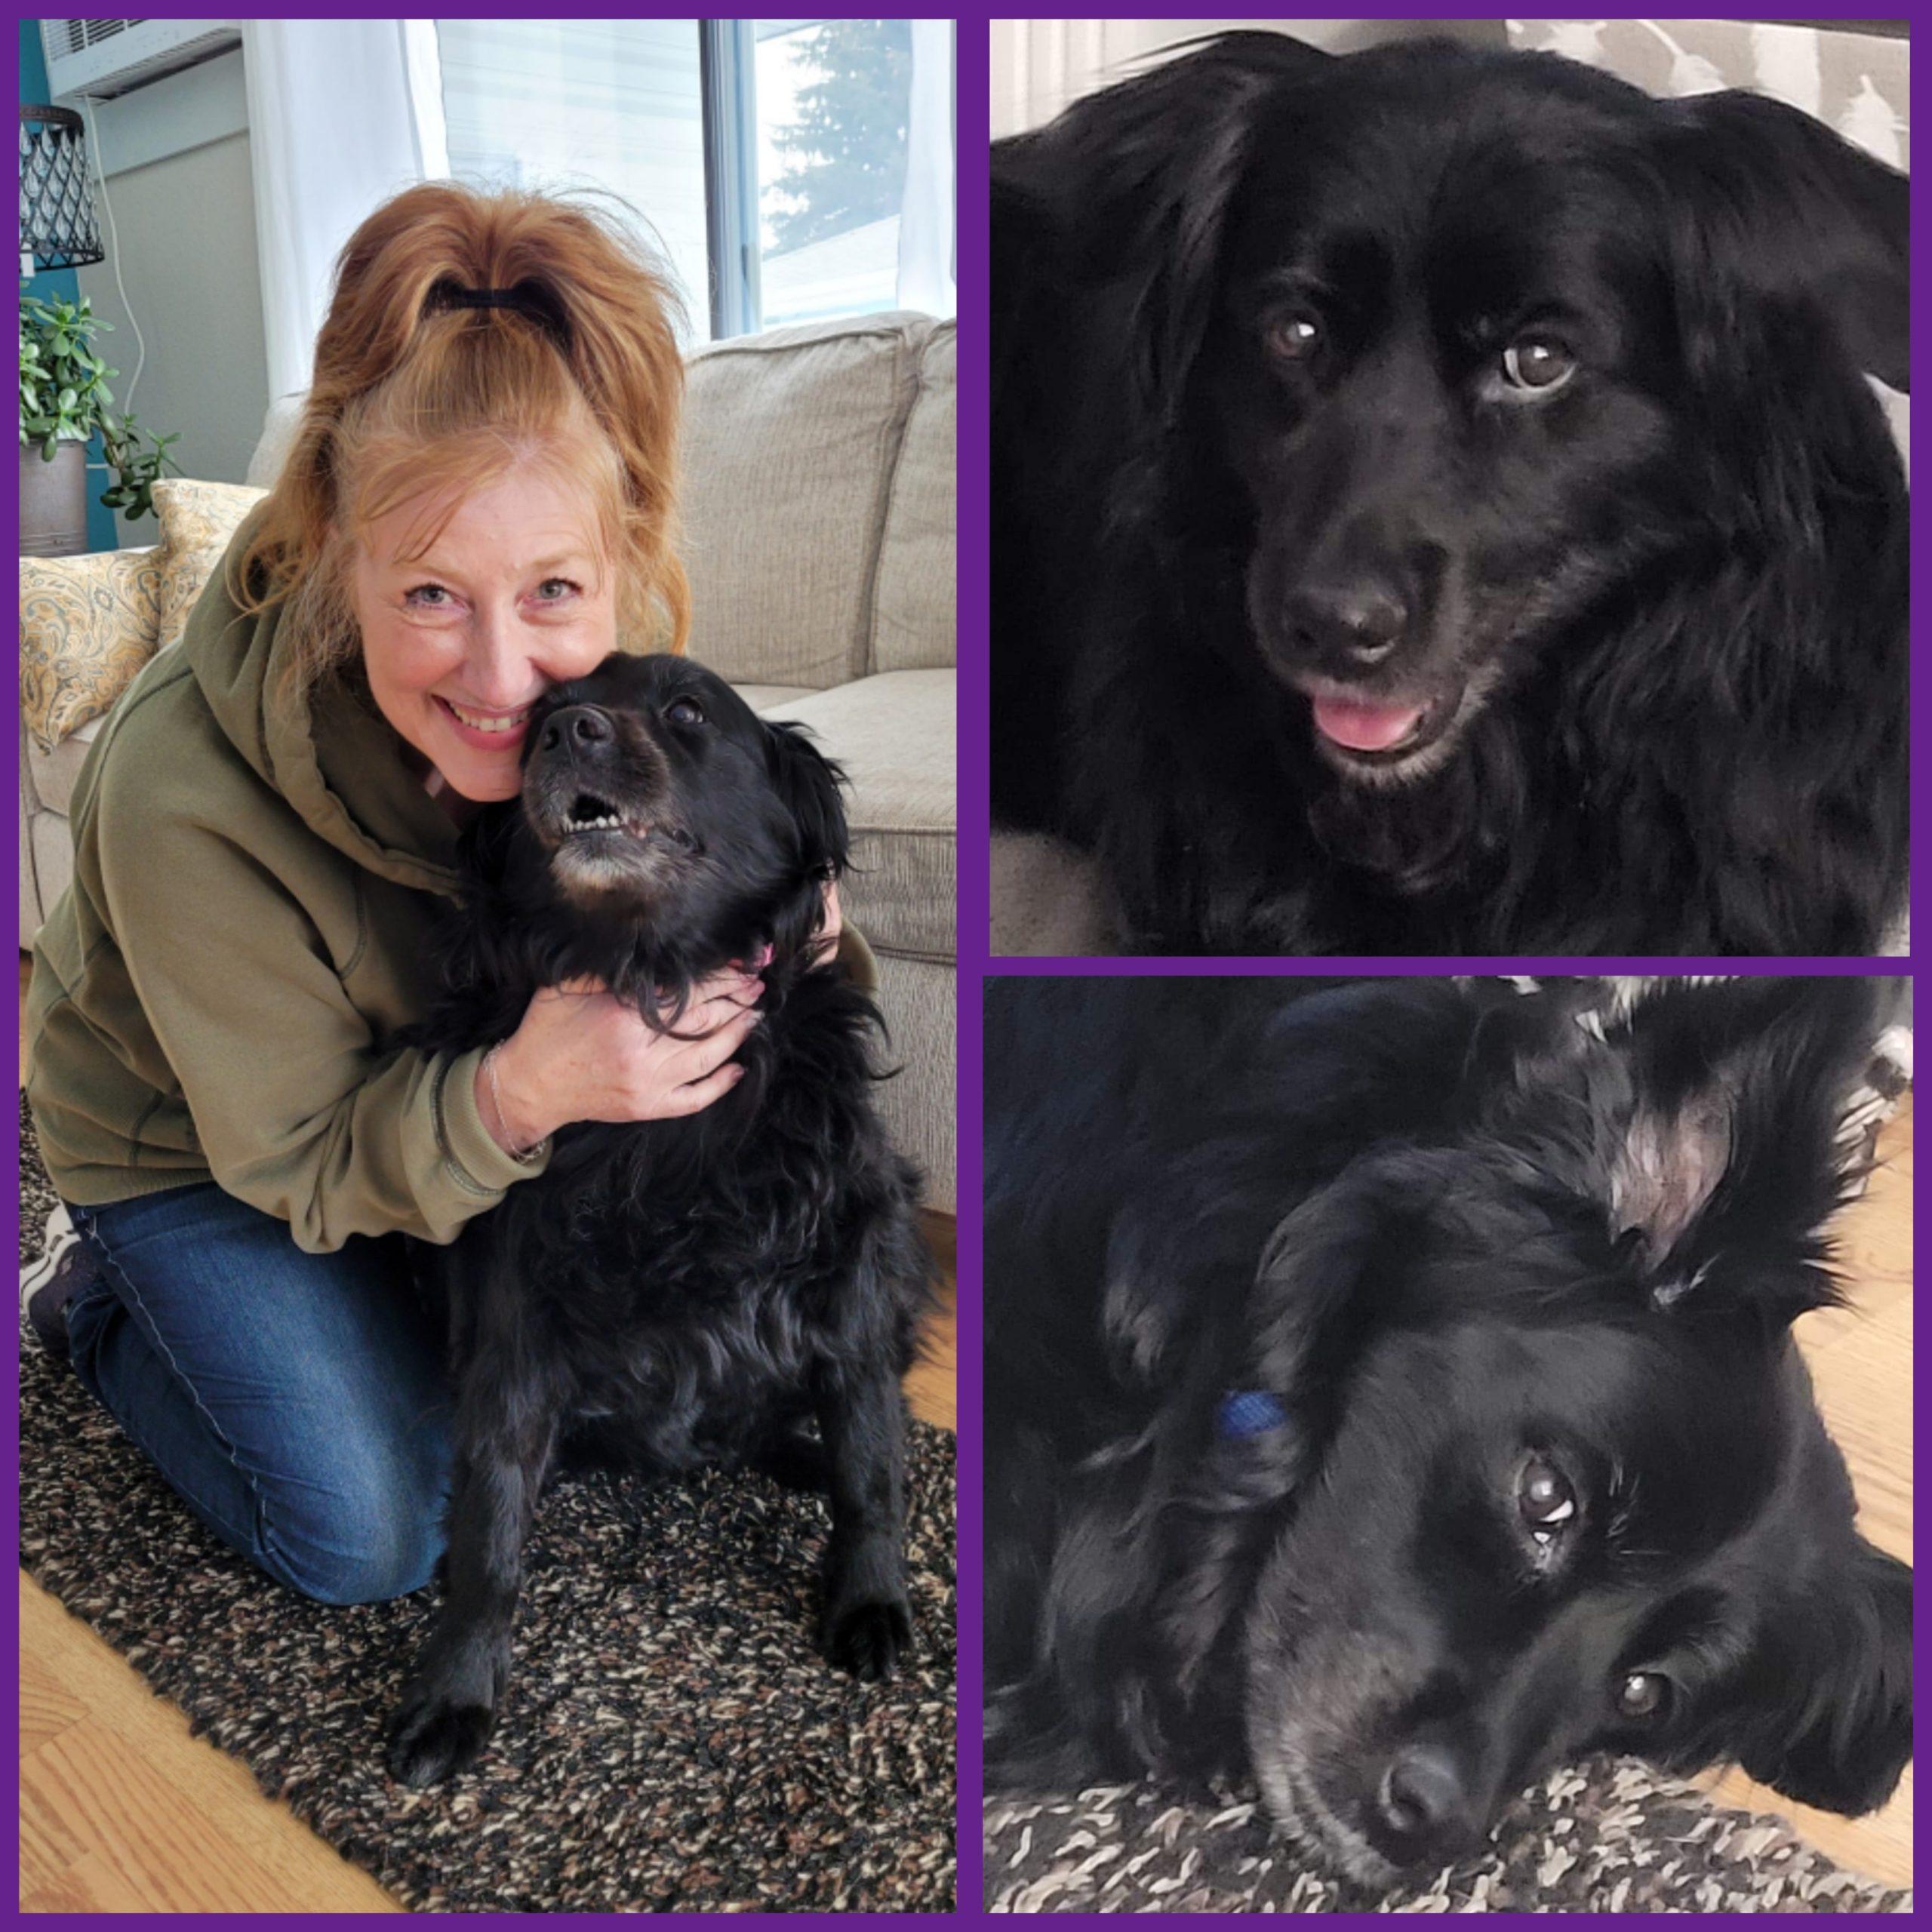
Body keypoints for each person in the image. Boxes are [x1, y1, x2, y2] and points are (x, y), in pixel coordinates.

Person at [22, 183, 864, 1606]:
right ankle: (97, 1309)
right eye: (428, 597)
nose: (504, 682)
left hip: (442, 1082)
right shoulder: (177, 793)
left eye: (552, 592)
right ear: (339, 558)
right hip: (217, 1151)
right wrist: (522, 1097)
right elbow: (299, 1157)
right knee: (381, 1531)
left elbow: (735, 843)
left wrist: (796, 905)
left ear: (619, 566)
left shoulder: (607, 671)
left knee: (550, 1389)